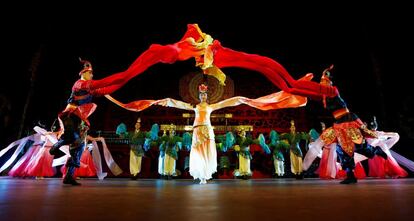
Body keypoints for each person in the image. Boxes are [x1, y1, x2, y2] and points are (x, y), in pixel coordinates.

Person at [106, 83, 307, 184]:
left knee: (206, 152)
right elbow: (176, 103)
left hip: (206, 130)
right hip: (196, 130)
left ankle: (205, 175)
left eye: (204, 94)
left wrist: (241, 99)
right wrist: (164, 101)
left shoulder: (211, 106)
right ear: (197, 95)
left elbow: (230, 101)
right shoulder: (194, 106)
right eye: (200, 94)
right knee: (197, 153)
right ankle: (200, 174)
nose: (202, 96)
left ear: (207, 96)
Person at [317, 65, 387, 184]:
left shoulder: (334, 92)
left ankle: (375, 151)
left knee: (359, 146)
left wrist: (326, 75)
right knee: (342, 149)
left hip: (348, 121)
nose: (323, 84)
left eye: (325, 81)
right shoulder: (325, 96)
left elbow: (333, 99)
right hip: (339, 123)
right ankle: (350, 175)